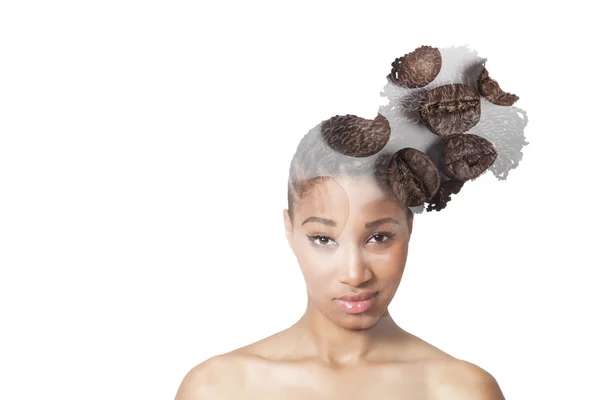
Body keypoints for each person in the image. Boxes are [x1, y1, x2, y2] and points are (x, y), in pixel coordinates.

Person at [175, 45, 526, 399]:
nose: (355, 274)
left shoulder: (460, 391)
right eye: (323, 239)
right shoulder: (217, 388)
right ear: (289, 231)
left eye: (379, 237)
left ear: (409, 228)